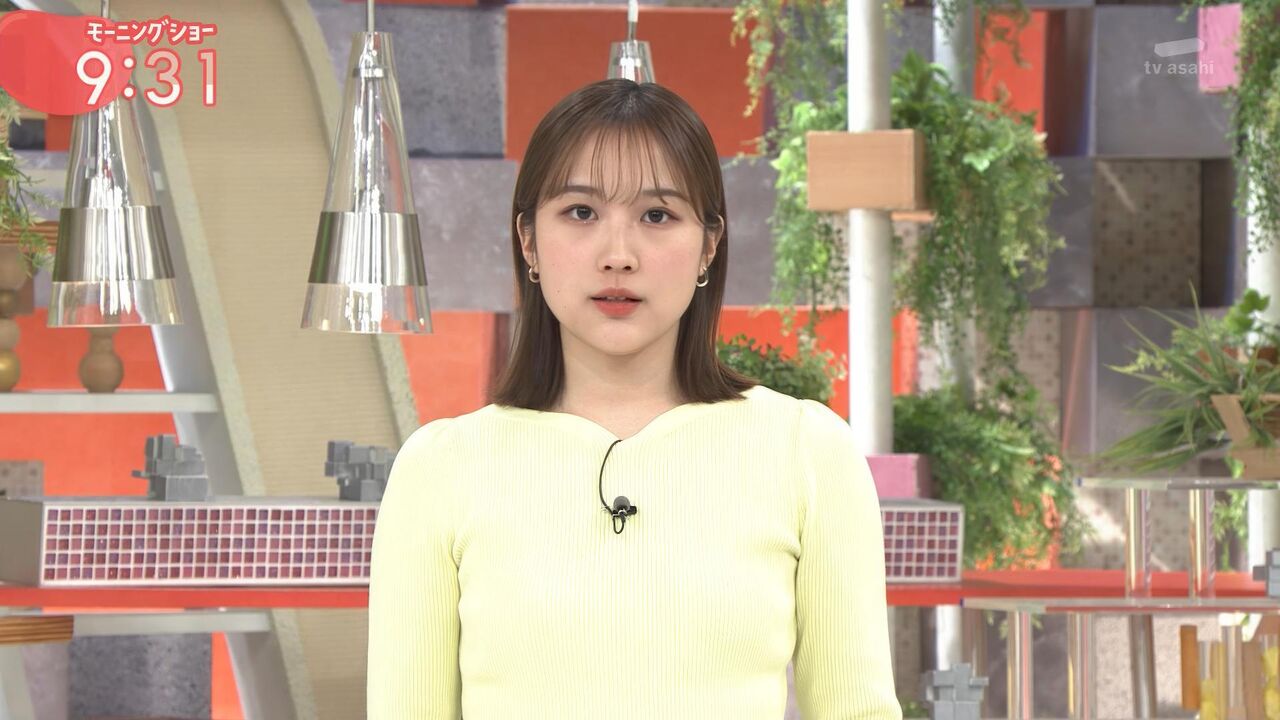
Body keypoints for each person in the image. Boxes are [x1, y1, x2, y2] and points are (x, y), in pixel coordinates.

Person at [366, 78, 902, 720]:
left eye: (656, 216)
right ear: (529, 241)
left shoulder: (807, 451)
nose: (618, 256)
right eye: (581, 213)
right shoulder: (439, 469)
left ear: (708, 245)